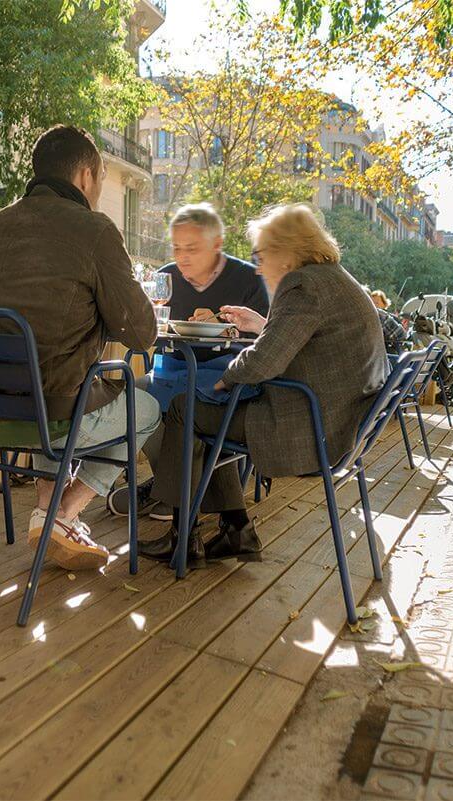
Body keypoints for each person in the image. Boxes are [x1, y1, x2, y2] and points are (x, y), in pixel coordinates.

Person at [137, 204, 388, 565]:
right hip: (340, 420)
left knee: (185, 408)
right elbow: (293, 341)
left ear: (285, 253)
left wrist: (226, 377)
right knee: (210, 410)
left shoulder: (302, 285)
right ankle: (236, 529)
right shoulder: (332, 278)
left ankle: (183, 539)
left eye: (261, 254)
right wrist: (262, 324)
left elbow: (263, 362)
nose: (258, 265)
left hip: (309, 426)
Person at [0, 125, 160, 571]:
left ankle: (47, 511)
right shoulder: (94, 230)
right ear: (86, 176)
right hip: (44, 419)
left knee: (47, 379)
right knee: (144, 409)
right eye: (103, 178)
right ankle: (62, 515)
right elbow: (142, 333)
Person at [107, 203, 269, 521]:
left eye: (192, 248)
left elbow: (263, 340)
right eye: (177, 247)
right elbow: (150, 326)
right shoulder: (165, 277)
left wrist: (222, 325)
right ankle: (174, 488)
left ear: (217, 245)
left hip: (224, 376)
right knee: (134, 398)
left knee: (182, 404)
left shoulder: (248, 279)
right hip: (171, 370)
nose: (182, 257)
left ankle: (173, 494)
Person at [369, 288, 406, 354]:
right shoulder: (369, 317)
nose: (373, 305)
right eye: (372, 302)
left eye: (376, 303)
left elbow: (401, 337)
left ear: (384, 304)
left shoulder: (390, 318)